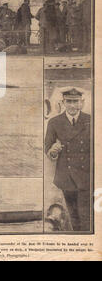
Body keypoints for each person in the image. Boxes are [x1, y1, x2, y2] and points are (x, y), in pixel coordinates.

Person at [45, 87, 91, 231]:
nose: (72, 105)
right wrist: (53, 151)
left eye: (75, 101)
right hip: (66, 176)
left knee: (86, 216)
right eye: (69, 101)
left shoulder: (90, 120)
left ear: (81, 103)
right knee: (73, 216)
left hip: (86, 175)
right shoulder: (54, 122)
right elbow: (48, 147)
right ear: (63, 102)